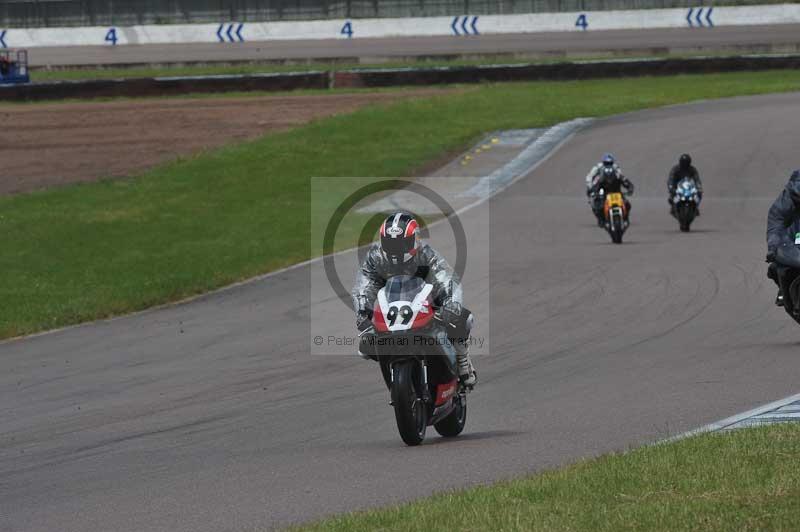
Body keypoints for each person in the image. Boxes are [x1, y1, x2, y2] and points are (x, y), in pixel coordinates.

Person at [352, 212, 477, 387]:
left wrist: (451, 304)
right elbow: (365, 285)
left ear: (414, 240)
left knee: (462, 317)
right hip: (392, 306)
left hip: (428, 302)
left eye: (402, 243)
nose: (396, 248)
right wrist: (363, 312)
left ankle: (462, 359)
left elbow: (446, 278)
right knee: (366, 344)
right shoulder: (376, 257)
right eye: (390, 243)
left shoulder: (425, 254)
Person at [766, 170, 800, 308]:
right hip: (795, 237)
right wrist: (774, 244)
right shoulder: (790, 195)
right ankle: (783, 289)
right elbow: (776, 220)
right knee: (776, 267)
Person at [587, 153, 634, 221]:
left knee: (627, 204)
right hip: (603, 189)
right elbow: (590, 177)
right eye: (606, 163)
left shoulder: (616, 168)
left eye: (610, 163)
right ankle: (601, 218)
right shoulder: (597, 168)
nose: (608, 165)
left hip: (616, 191)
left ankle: (625, 217)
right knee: (597, 203)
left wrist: (629, 187)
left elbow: (622, 178)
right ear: (603, 163)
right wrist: (590, 188)